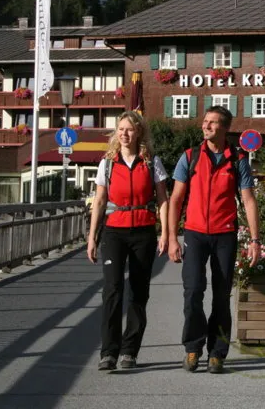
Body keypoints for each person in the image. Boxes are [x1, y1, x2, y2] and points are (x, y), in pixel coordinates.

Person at [167, 106, 261, 374]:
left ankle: (217, 353)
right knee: (194, 291)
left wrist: (255, 240)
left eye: (212, 123)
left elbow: (248, 200)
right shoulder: (191, 157)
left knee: (221, 296)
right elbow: (175, 199)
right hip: (195, 233)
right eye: (204, 121)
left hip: (224, 235)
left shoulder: (237, 160)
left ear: (225, 128)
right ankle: (193, 348)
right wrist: (173, 237)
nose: (206, 126)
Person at [86, 111, 169, 371]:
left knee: (138, 292)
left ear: (139, 133)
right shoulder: (107, 163)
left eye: (130, 129)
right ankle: (108, 352)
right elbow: (99, 201)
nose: (124, 133)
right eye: (120, 129)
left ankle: (129, 351)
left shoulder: (151, 162)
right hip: (114, 232)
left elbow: (163, 199)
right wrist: (91, 237)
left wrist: (165, 232)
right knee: (112, 291)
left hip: (143, 231)